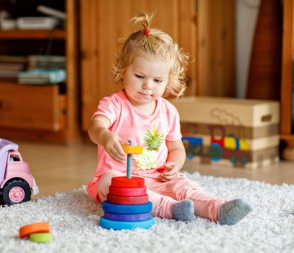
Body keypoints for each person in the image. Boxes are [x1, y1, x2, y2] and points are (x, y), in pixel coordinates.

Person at [86, 13, 252, 225]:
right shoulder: (115, 104)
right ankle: (170, 208)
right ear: (123, 70)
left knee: (184, 186)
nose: (148, 86)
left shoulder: (168, 111)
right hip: (119, 178)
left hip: (159, 177)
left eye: (157, 80)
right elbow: (95, 127)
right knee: (111, 184)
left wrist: (175, 164)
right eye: (139, 76)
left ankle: (217, 208)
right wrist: (106, 136)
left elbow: (176, 148)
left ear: (168, 81)